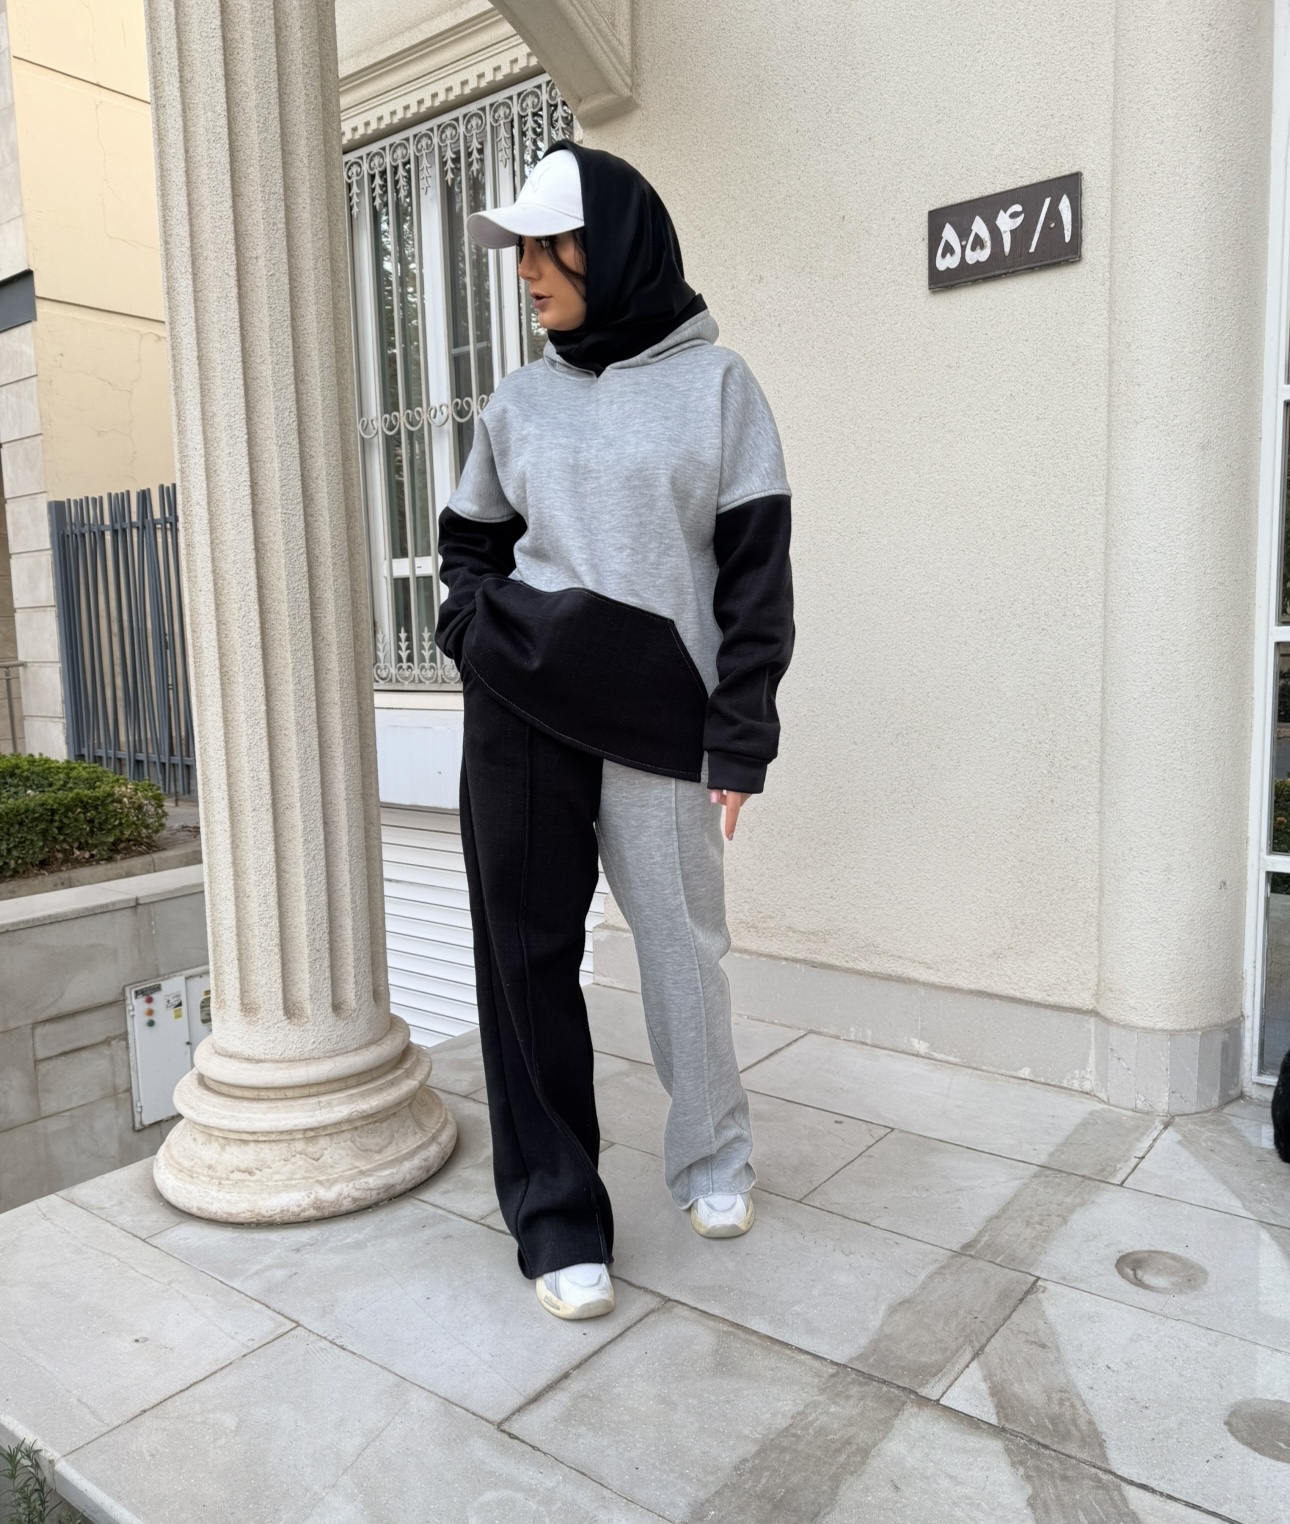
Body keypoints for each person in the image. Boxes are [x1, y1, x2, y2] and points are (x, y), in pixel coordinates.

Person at [435, 140, 793, 1321]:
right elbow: (469, 545)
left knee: (683, 946)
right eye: (521, 250)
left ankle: (713, 1155)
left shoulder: (719, 387)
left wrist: (740, 736)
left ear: (618, 245)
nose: (527, 271)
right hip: (523, 710)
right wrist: (474, 632)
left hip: (657, 714)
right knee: (525, 958)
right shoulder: (518, 400)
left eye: (549, 245)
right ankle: (555, 1214)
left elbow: (754, 580)